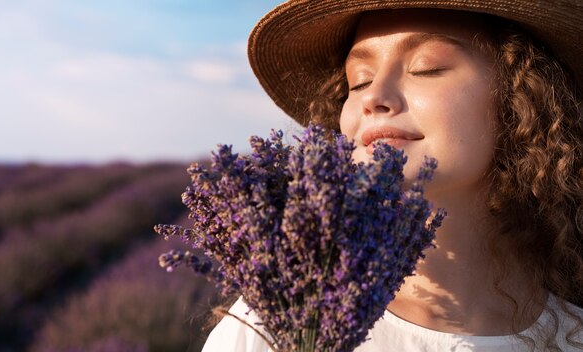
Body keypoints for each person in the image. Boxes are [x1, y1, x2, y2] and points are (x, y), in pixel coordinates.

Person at [202, 1, 583, 351]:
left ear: (525, 99)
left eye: (426, 67)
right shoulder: (283, 325)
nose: (373, 96)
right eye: (359, 81)